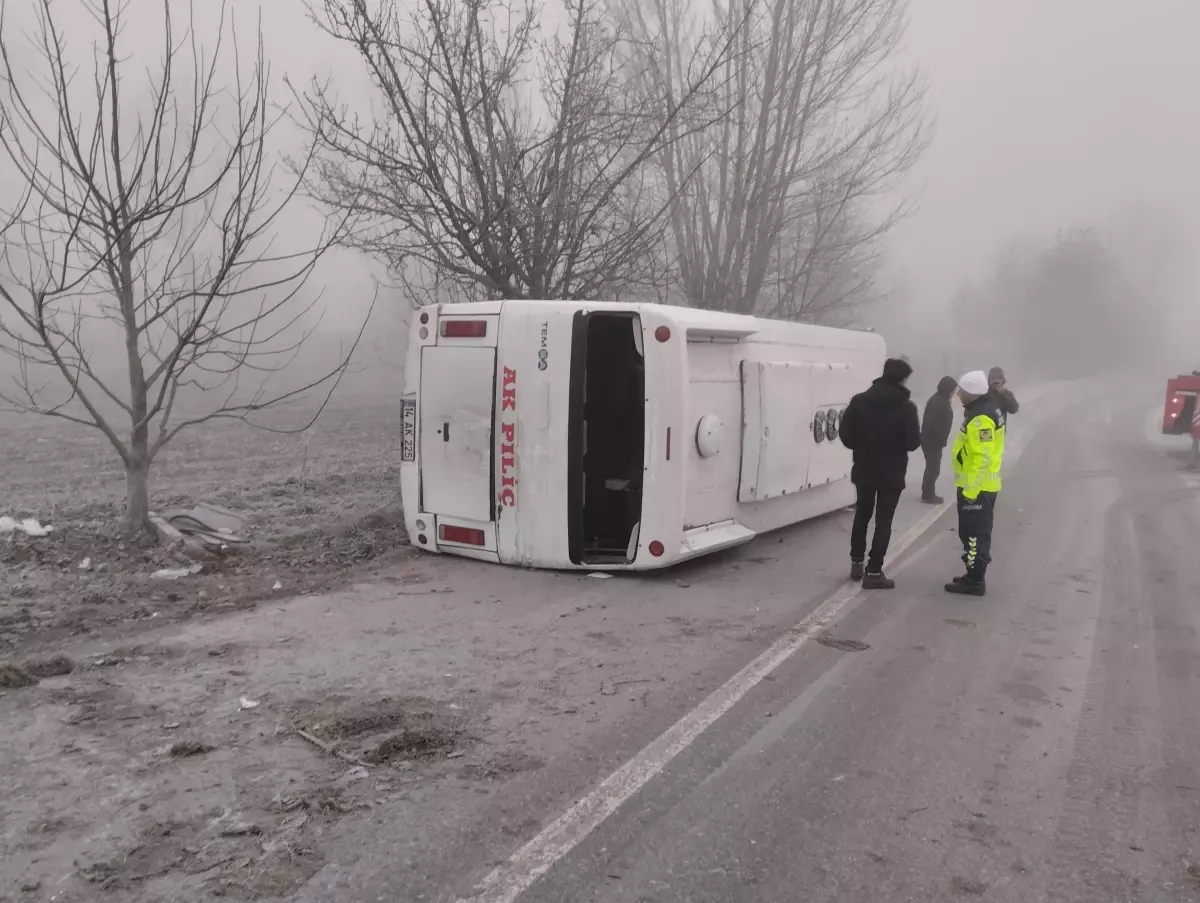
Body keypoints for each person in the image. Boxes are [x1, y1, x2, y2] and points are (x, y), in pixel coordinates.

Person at [838, 357, 921, 588]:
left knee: (862, 514)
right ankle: (873, 572)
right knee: (884, 520)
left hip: (864, 467)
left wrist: (863, 446)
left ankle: (856, 562)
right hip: (892, 473)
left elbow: (845, 435)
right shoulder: (907, 407)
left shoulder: (859, 401)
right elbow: (913, 442)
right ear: (902, 379)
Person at [945, 370, 1006, 596]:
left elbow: (983, 457)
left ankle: (975, 580)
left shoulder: (980, 418)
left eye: (962, 390)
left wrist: (971, 489)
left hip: (977, 489)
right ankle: (972, 573)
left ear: (971, 392)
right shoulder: (981, 409)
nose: (959, 394)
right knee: (971, 533)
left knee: (974, 535)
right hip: (978, 486)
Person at [919, 376, 959, 504]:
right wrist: (940, 437)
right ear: (948, 389)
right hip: (932, 441)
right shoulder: (938, 401)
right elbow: (931, 423)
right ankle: (927, 494)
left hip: (933, 440)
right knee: (933, 468)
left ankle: (928, 492)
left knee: (932, 467)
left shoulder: (940, 399)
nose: (954, 392)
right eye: (953, 390)